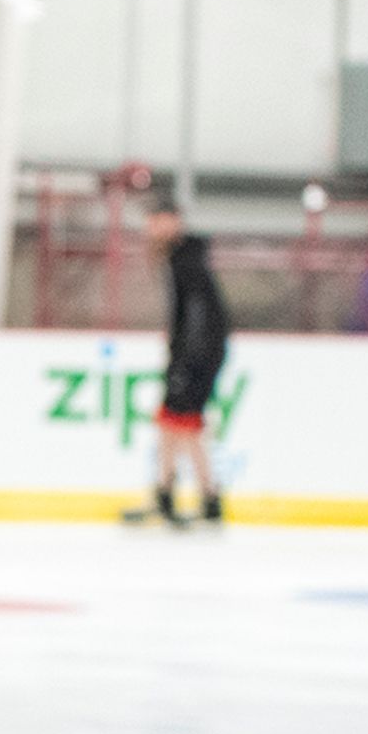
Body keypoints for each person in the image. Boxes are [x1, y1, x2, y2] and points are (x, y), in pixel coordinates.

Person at [143, 199, 230, 526]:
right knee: (174, 423)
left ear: (173, 221)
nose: (151, 228)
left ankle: (201, 496)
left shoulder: (185, 259)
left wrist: (186, 359)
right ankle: (173, 494)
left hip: (197, 355)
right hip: (195, 352)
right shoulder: (180, 256)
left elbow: (197, 314)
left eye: (157, 220)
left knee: (182, 423)